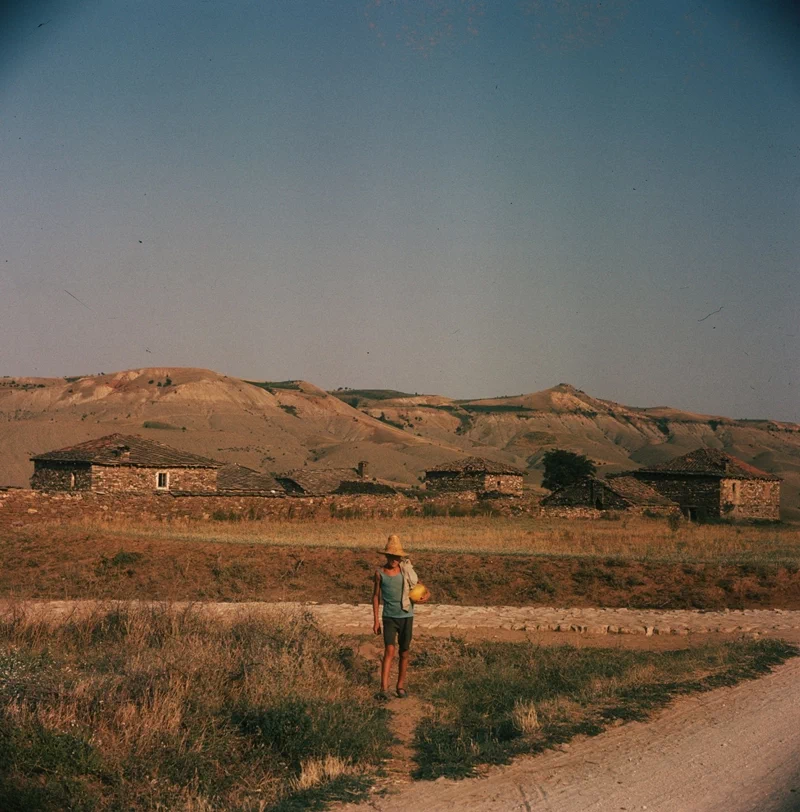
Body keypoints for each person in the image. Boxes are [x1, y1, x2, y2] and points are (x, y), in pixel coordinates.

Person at [372, 534, 427, 699]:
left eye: (396, 556)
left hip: (406, 616)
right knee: (389, 650)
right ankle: (384, 689)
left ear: (400, 557)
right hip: (389, 617)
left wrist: (426, 596)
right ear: (386, 556)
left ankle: (400, 686)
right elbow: (375, 596)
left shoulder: (406, 572)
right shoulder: (379, 573)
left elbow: (421, 588)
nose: (394, 559)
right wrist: (376, 620)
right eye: (391, 556)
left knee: (404, 652)